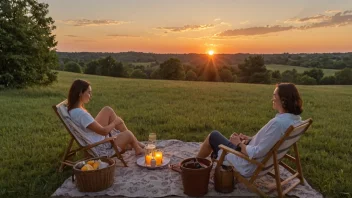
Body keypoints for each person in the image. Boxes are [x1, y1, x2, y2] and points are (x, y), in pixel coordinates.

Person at [197, 83, 303, 177]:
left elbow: (258, 152)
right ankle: (197, 162)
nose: (272, 99)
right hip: (259, 158)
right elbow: (267, 142)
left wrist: (239, 144)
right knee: (219, 138)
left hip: (249, 163)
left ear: (283, 101)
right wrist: (249, 139)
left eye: (274, 96)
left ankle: (194, 164)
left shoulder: (278, 124)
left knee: (213, 136)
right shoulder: (294, 120)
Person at [67, 79, 145, 156]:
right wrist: (115, 123)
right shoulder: (81, 114)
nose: (90, 96)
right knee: (128, 134)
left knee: (107, 110)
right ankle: (136, 146)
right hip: (101, 146)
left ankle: (135, 143)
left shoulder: (74, 110)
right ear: (80, 93)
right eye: (89, 92)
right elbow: (104, 132)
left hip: (94, 136)